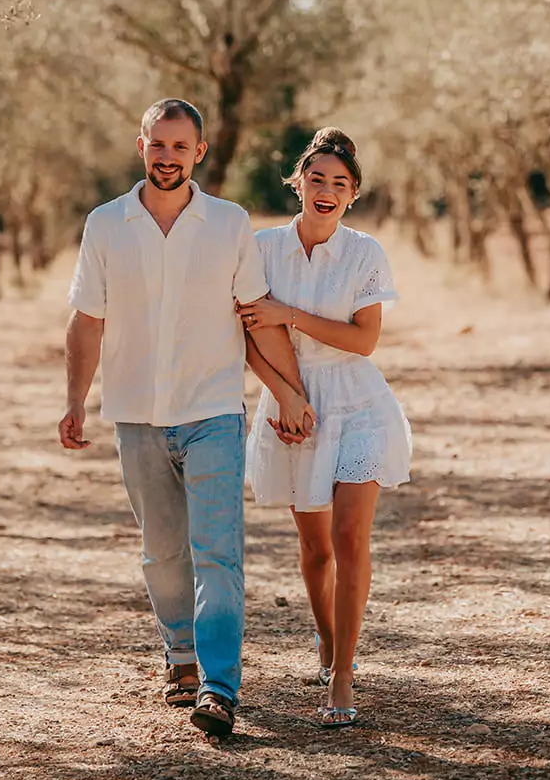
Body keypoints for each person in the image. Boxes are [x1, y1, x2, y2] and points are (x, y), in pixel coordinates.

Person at [59, 98, 313, 740]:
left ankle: (219, 686)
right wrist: (74, 401)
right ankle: (180, 653)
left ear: (199, 152)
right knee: (163, 553)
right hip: (136, 414)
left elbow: (256, 312)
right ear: (140, 146)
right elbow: (88, 320)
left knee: (218, 553)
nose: (168, 157)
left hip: (213, 412)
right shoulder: (107, 224)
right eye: (157, 144)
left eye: (180, 146)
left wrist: (289, 391)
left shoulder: (228, 224)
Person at [238, 127, 411, 728]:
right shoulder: (260, 250)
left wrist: (291, 315)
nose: (327, 191)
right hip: (291, 406)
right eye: (317, 180)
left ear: (353, 194)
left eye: (340, 184)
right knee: (314, 551)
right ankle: (326, 640)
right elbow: (246, 337)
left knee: (349, 538)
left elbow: (364, 341)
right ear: (298, 184)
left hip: (358, 404)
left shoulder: (365, 254)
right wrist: (284, 396)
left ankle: (342, 673)